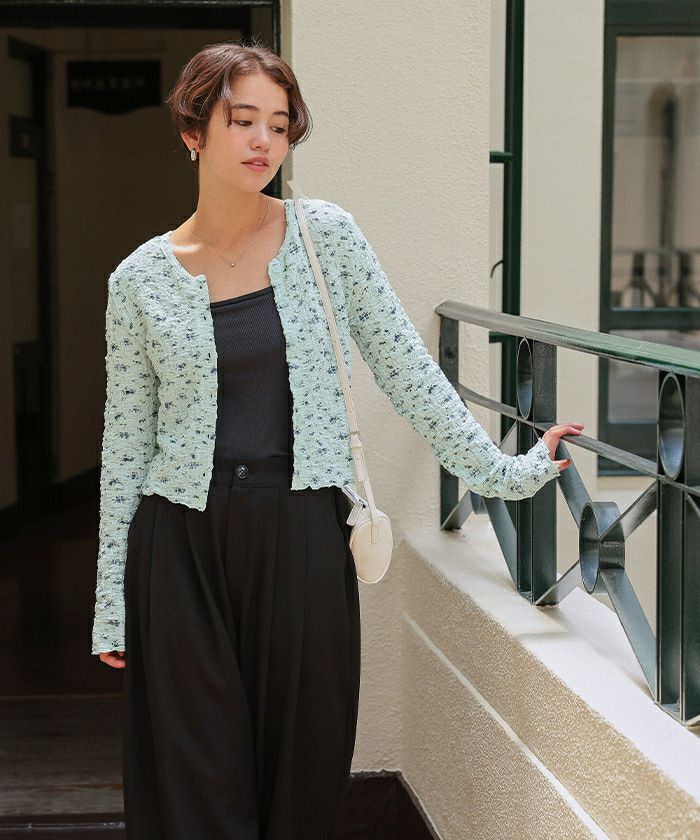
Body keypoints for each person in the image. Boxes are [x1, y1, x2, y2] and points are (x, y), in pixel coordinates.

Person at [92, 39, 583, 840]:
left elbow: (407, 370)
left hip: (301, 530)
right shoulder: (139, 279)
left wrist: (503, 471)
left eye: (279, 124)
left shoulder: (325, 237)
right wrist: (112, 604)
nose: (263, 140)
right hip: (180, 545)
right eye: (241, 120)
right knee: (193, 777)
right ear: (193, 130)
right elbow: (124, 449)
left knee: (302, 766)